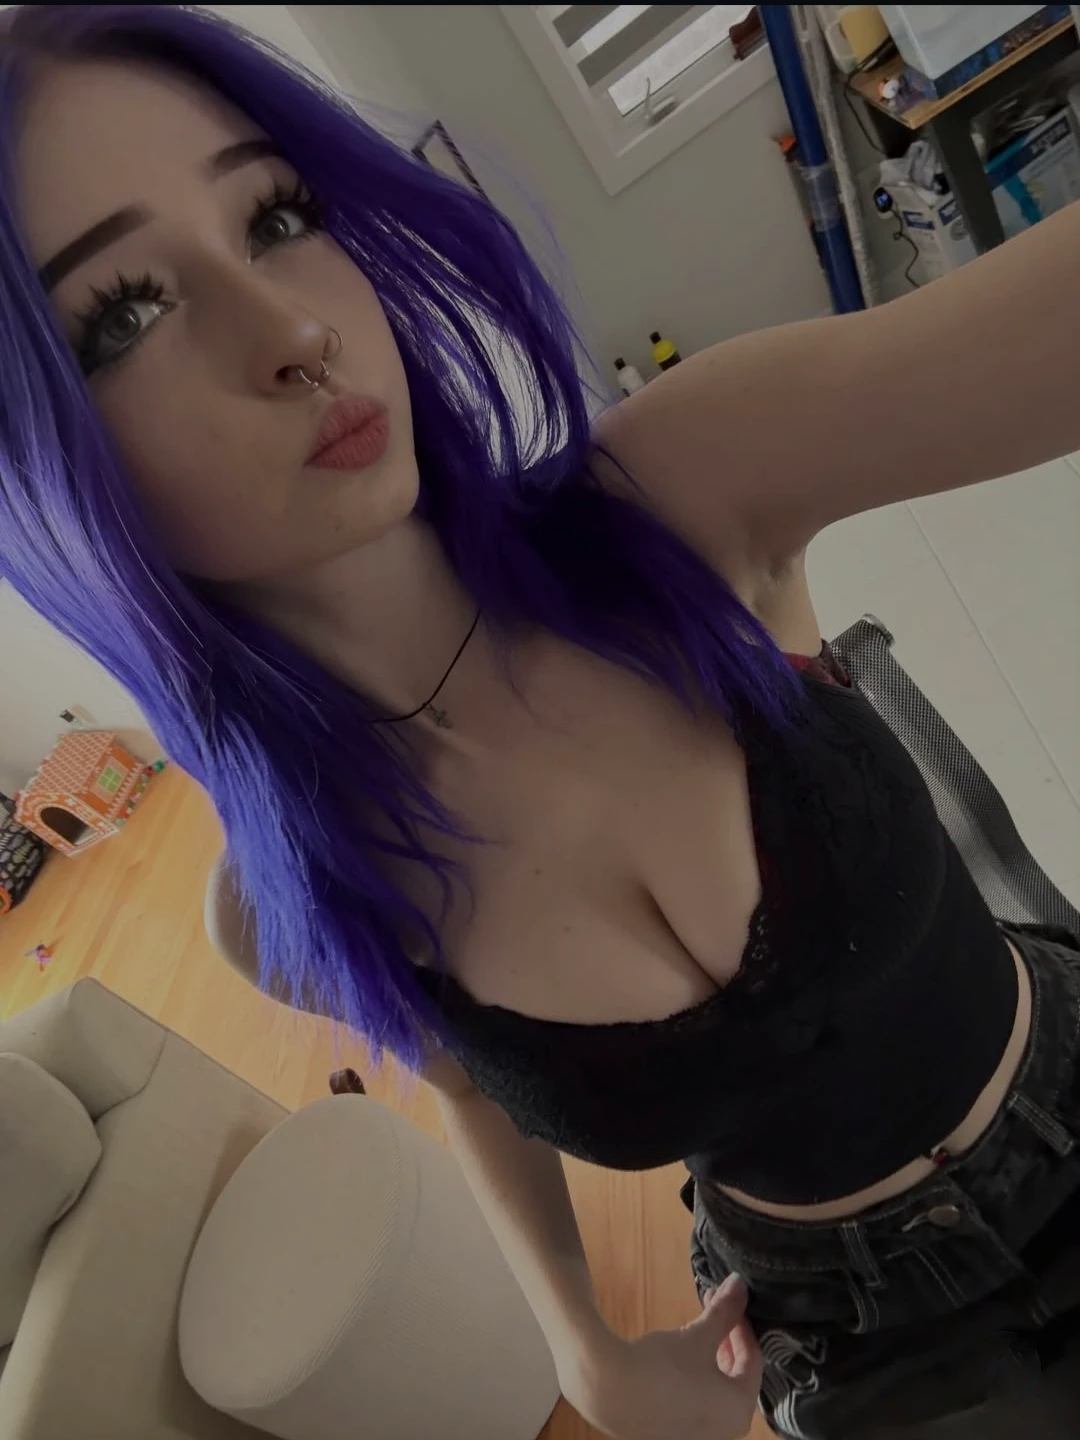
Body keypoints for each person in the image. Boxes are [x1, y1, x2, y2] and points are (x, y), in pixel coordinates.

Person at [2, 7, 1080, 1437]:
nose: (296, 332)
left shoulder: (676, 499)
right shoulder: (285, 901)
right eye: (126, 315)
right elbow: (469, 1085)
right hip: (858, 1336)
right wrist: (582, 1345)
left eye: (275, 217)